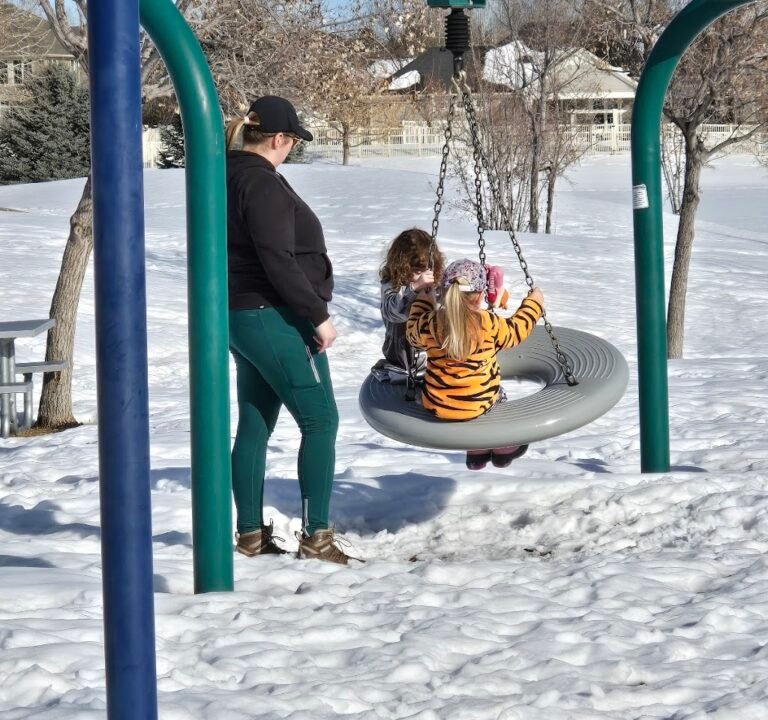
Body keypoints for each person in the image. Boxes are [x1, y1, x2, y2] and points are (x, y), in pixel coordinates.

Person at [225, 95, 352, 565]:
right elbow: (277, 258)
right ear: (279, 138)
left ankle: (250, 535)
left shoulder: (227, 173)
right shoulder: (260, 184)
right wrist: (316, 315)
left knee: (255, 424)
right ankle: (317, 537)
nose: (291, 150)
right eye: (292, 142)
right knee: (321, 421)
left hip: (240, 316)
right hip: (273, 315)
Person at [406, 258, 545, 471]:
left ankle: (476, 455)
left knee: (458, 389)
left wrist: (423, 301)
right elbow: (517, 330)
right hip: (478, 405)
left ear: (443, 293)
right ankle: (503, 448)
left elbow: (412, 335)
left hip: (437, 406)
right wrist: (534, 303)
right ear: (480, 296)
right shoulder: (487, 323)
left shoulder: (430, 323)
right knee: (497, 393)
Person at [373, 228, 445, 387]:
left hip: (431, 356)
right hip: (403, 359)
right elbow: (393, 312)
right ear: (402, 267)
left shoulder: (433, 284)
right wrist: (413, 289)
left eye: (428, 268)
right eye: (418, 270)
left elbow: (448, 304)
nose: (425, 275)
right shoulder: (392, 286)